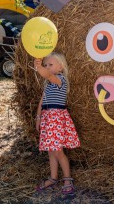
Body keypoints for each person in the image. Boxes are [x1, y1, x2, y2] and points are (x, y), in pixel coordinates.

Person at [34, 52, 80, 196]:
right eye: (46, 65)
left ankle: (67, 179)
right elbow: (42, 101)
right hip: (48, 118)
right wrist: (38, 117)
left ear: (61, 67)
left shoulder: (60, 80)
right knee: (51, 151)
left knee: (58, 151)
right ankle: (53, 178)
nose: (47, 67)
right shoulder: (48, 84)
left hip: (56, 119)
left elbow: (47, 75)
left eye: (50, 65)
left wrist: (39, 66)